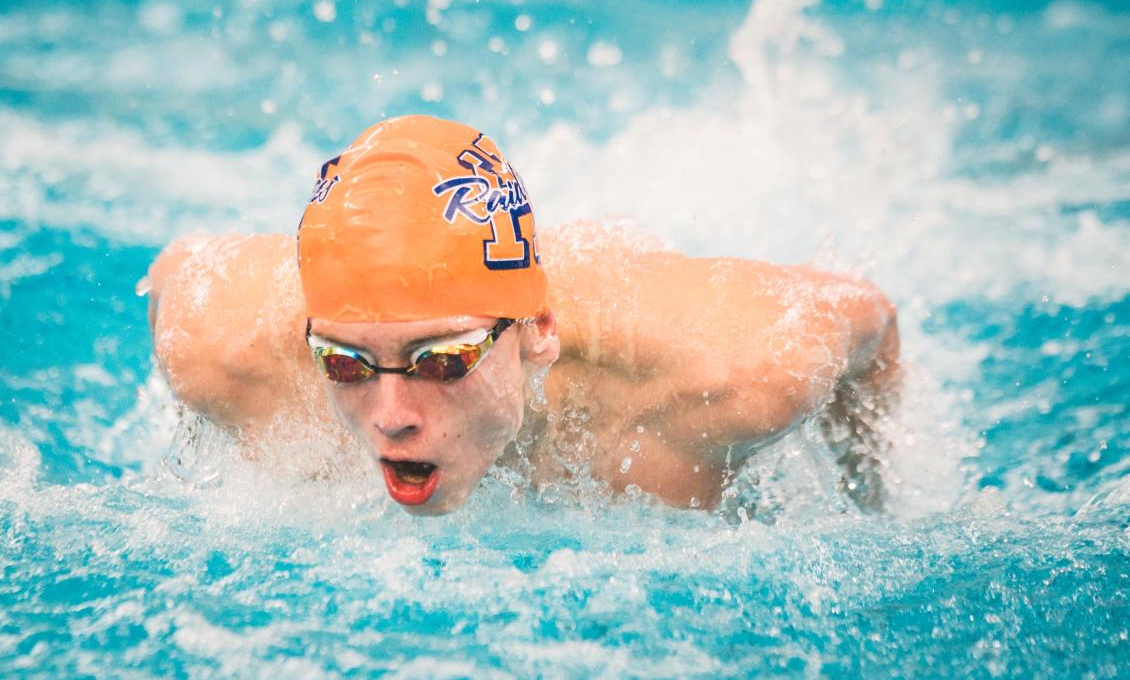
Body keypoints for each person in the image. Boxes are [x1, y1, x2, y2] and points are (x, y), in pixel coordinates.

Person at [144, 115, 899, 515]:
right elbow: (176, 272)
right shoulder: (220, 348)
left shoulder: (734, 369)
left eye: (443, 360)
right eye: (346, 364)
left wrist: (874, 498)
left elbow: (872, 318)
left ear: (537, 332)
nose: (392, 414)